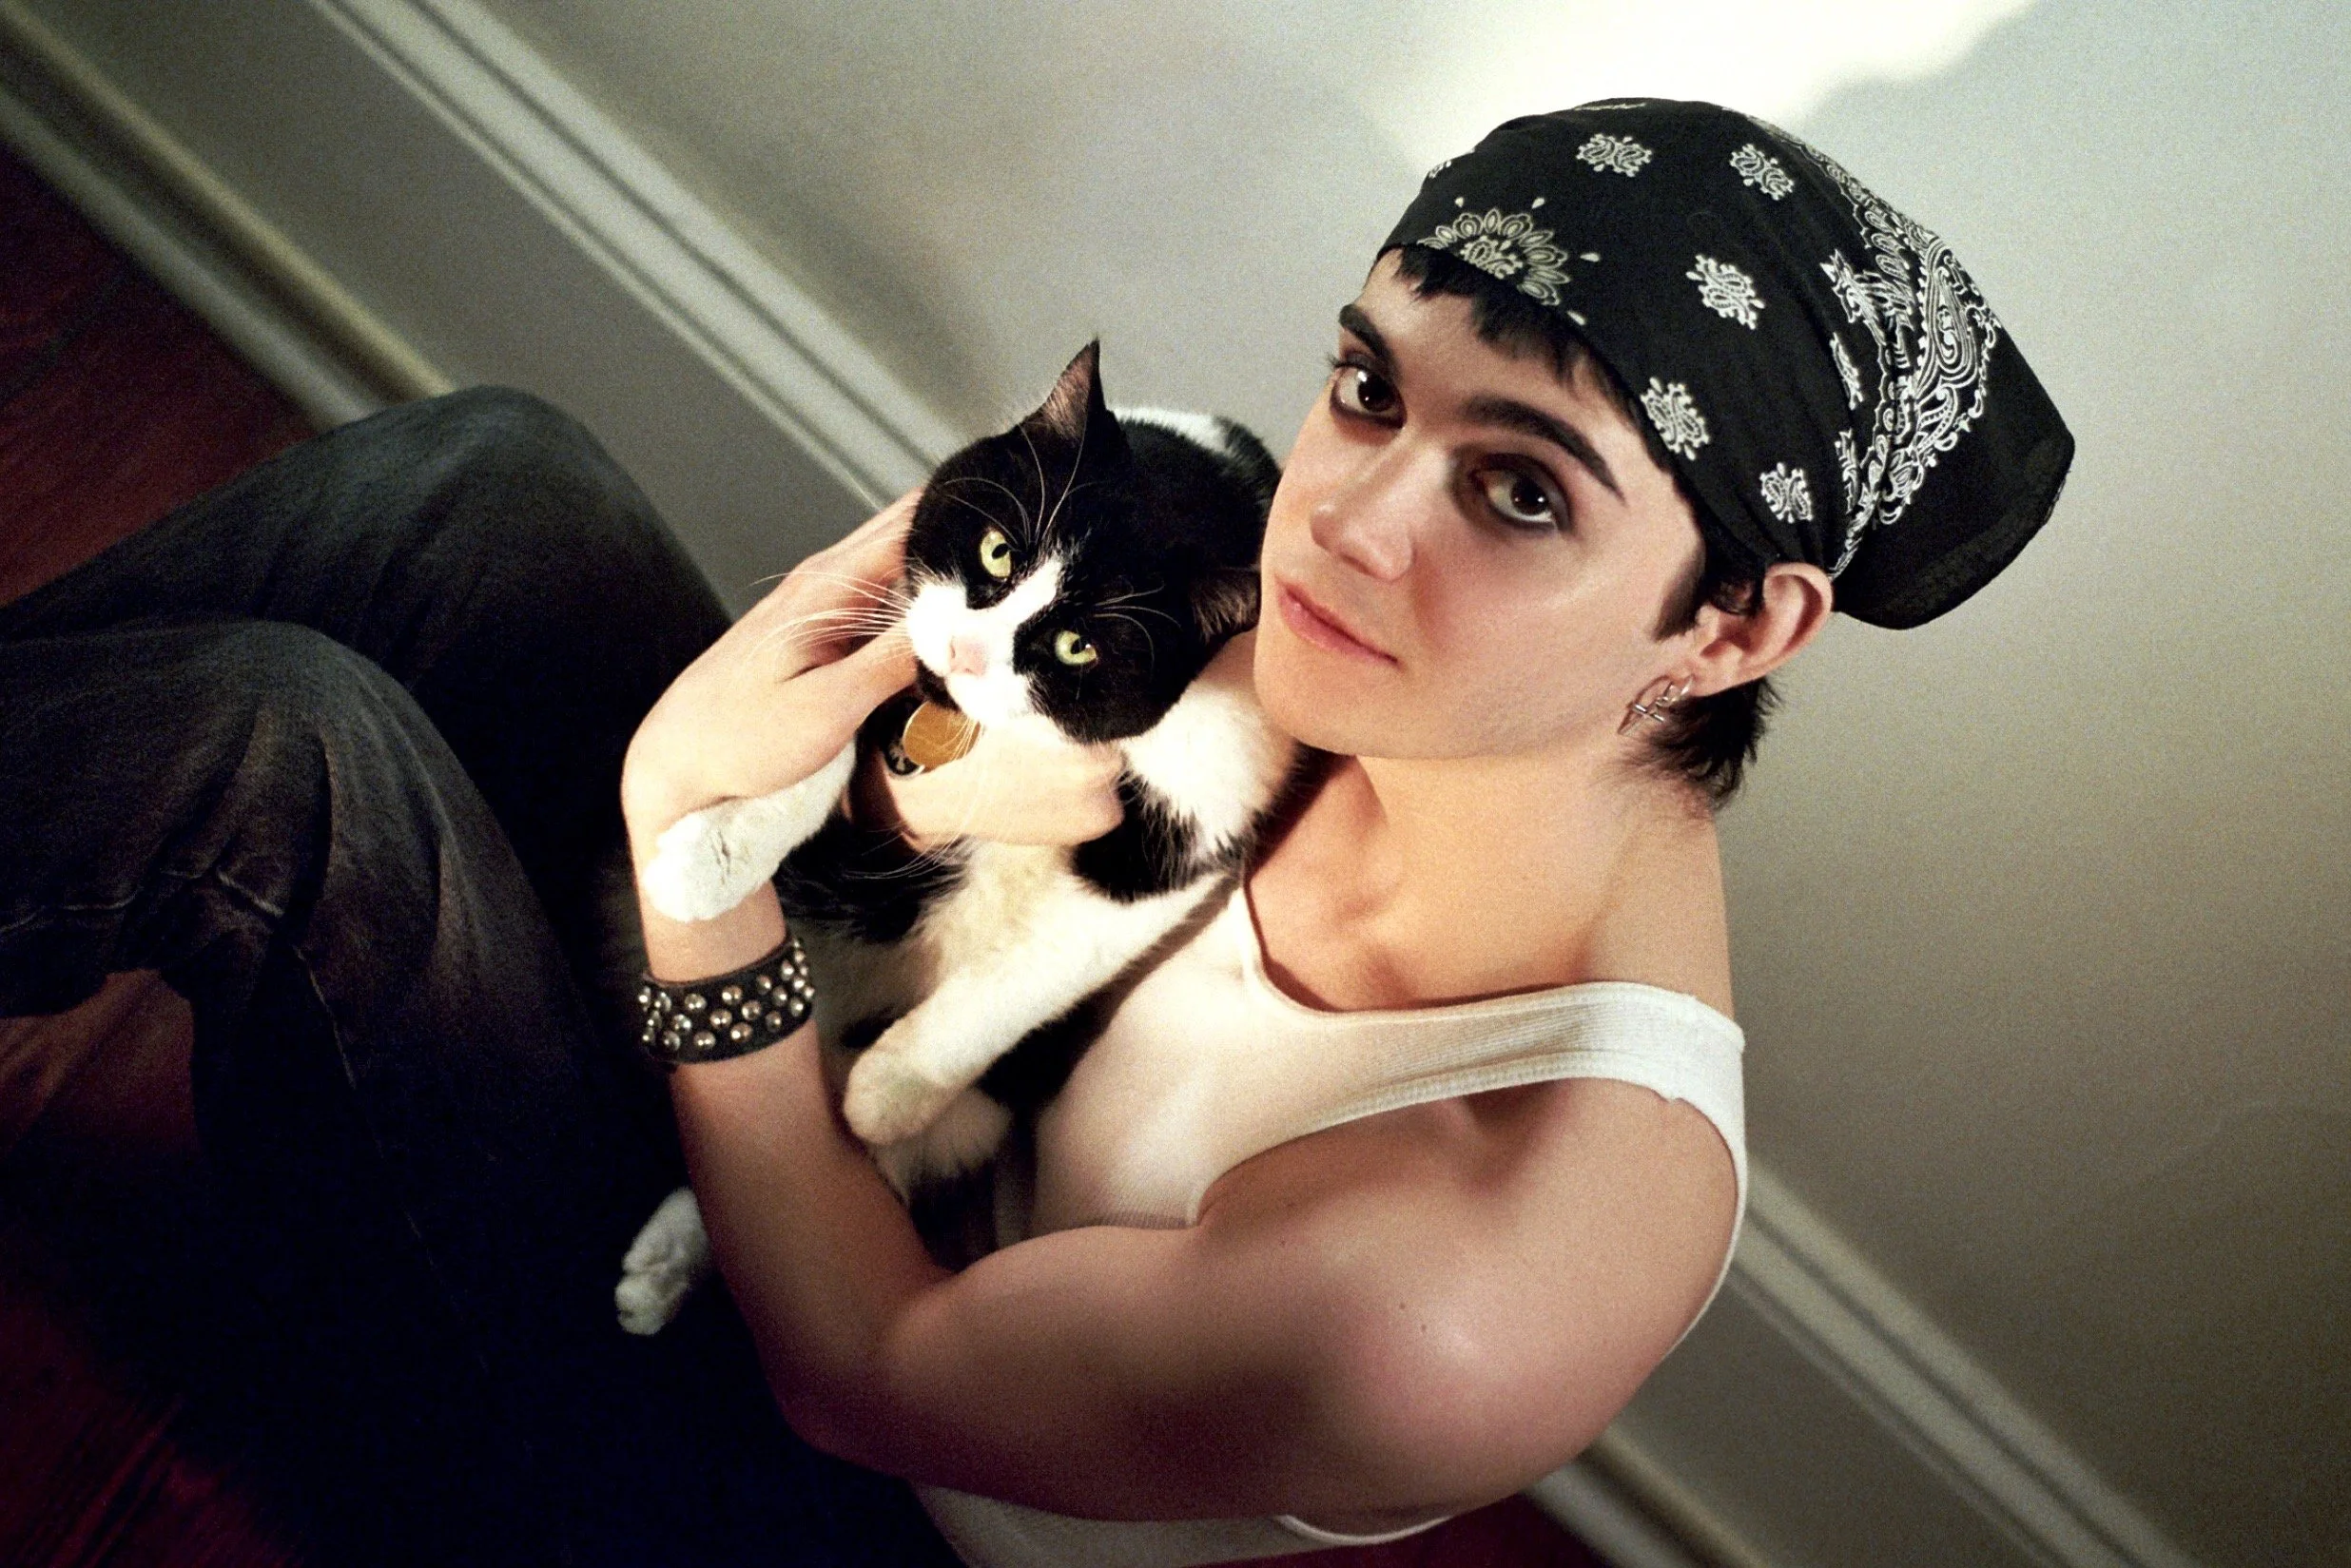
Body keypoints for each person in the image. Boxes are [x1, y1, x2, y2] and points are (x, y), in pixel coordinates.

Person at [0, 101, 2069, 1567]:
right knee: (500, 484)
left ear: (1733, 626)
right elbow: (976, 818)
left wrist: (694, 853)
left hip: (777, 1460)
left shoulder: (1477, 1269)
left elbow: (861, 1369)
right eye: (1369, 388)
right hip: (831, 1119)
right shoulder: (1402, 677)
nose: (1345, 520)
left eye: (1520, 490)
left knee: (289, 757)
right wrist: (876, 771)